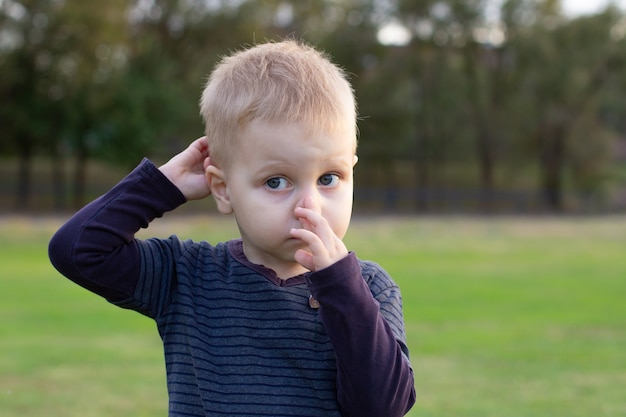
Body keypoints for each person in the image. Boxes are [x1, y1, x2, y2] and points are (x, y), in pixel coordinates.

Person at [49, 39, 415, 417]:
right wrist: (162, 186)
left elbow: (383, 408)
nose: (311, 206)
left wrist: (341, 286)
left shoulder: (369, 289)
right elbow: (78, 250)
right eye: (277, 181)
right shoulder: (187, 276)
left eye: (329, 177)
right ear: (223, 189)